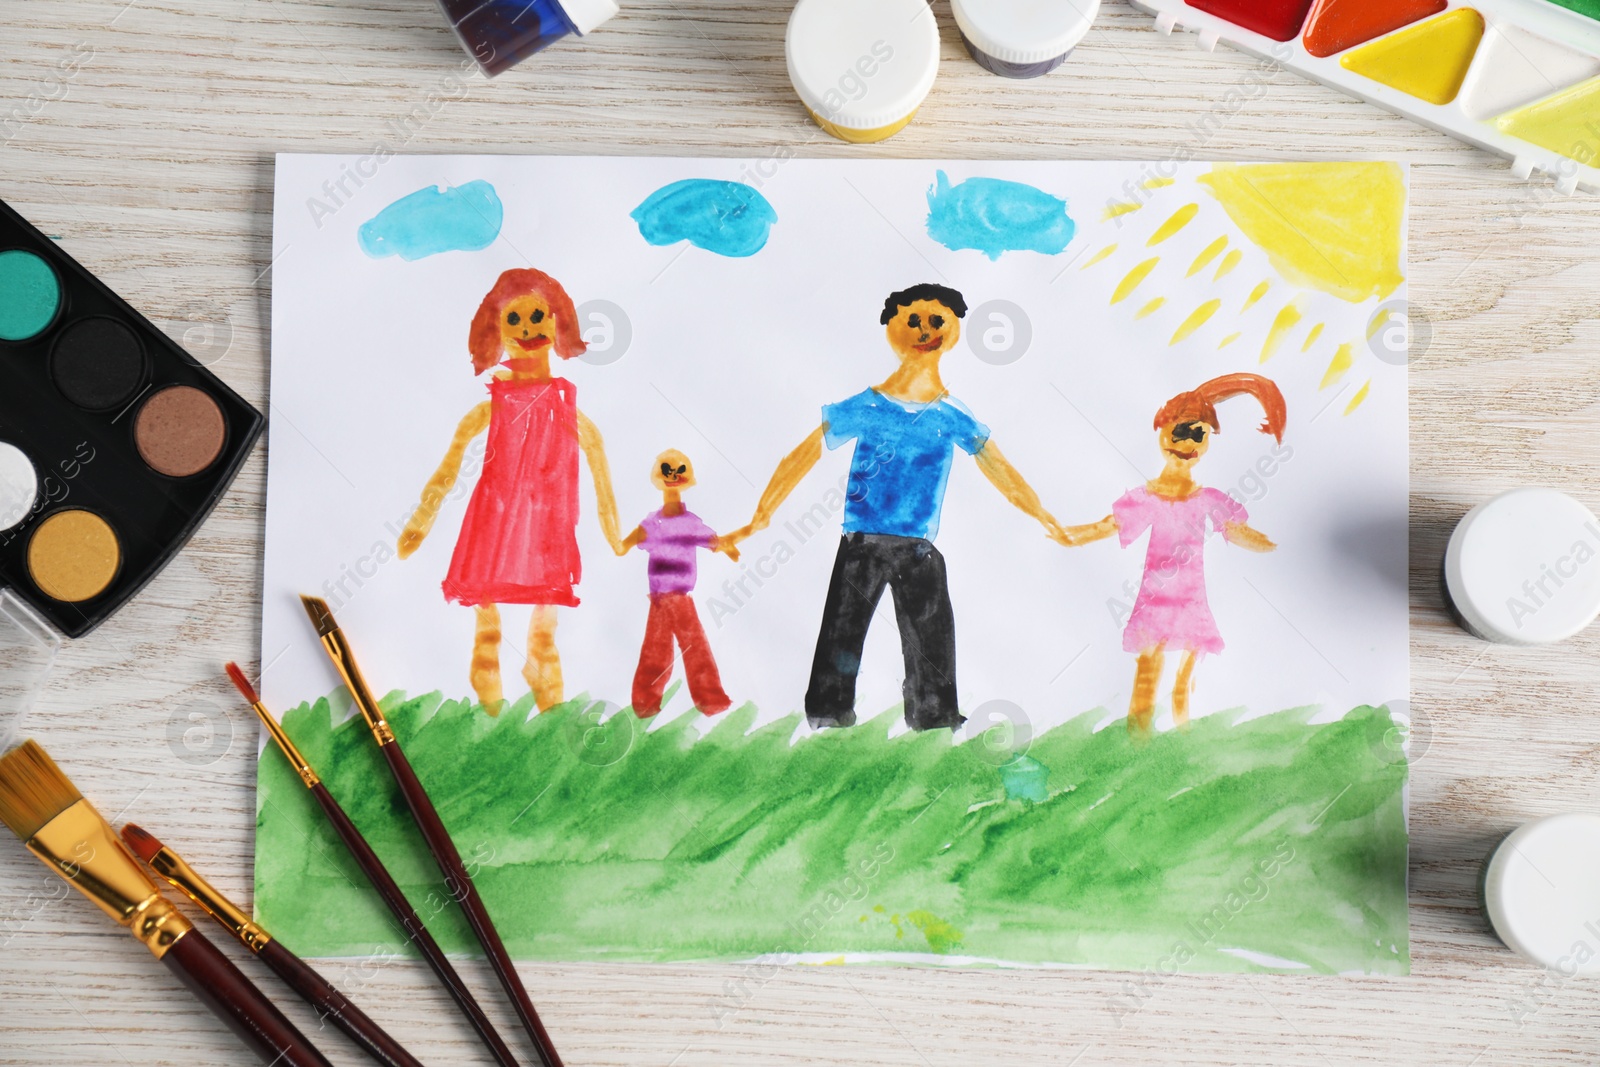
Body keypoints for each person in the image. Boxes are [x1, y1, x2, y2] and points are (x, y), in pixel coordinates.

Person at [725, 283, 1067, 731]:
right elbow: (802, 455)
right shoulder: (866, 405)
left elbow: (999, 469)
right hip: (862, 544)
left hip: (919, 550)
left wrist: (1044, 517)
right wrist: (760, 517)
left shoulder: (951, 417)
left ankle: (936, 722)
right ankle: (827, 721)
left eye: (937, 321)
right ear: (891, 328)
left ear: (955, 330)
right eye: (913, 321)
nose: (925, 330)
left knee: (931, 648)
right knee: (840, 641)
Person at [397, 267, 622, 714]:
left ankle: (549, 712)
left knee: (543, 635)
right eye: (514, 322)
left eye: (538, 317)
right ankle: (489, 715)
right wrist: (420, 524)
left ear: (558, 322)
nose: (529, 330)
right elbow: (449, 467)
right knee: (487, 632)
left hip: (548, 530)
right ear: (497, 332)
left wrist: (614, 535)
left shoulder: (565, 406)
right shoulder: (490, 405)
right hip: (494, 523)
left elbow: (599, 467)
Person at [1059, 373, 1286, 736]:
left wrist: (1278, 546)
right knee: (1147, 676)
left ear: (1209, 440)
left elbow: (1240, 532)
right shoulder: (1146, 498)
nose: (1188, 444)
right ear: (1162, 431)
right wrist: (1067, 535)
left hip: (1192, 602)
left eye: (1199, 435)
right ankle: (1138, 744)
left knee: (1185, 685)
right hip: (1154, 601)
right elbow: (1107, 526)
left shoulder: (1209, 499)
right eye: (1180, 432)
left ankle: (1183, 748)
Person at [619, 449, 739, 717]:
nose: (673, 476)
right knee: (676, 647)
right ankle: (703, 700)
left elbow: (716, 542)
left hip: (674, 595)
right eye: (667, 470)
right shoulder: (653, 523)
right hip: (662, 596)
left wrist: (730, 547)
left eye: (679, 471)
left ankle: (648, 704)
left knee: (666, 648)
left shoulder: (688, 523)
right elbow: (624, 545)